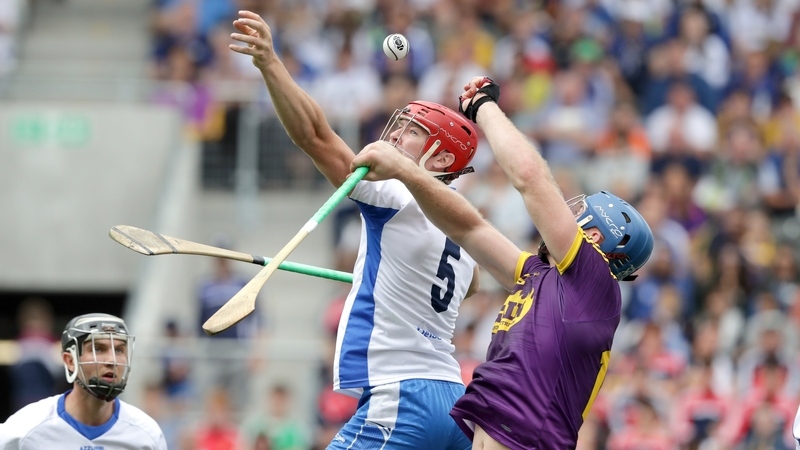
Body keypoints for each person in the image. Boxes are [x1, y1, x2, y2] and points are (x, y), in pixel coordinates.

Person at [350, 76, 655, 449]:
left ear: (595, 237)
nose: (568, 214)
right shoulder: (541, 277)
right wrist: (409, 173)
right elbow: (468, 228)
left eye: (580, 213)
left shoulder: (593, 280)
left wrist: (484, 107)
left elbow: (530, 178)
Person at [230, 10, 481, 450]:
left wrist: (271, 63)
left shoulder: (396, 196)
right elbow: (471, 287)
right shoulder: (466, 234)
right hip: (452, 401)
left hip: (403, 397)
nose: (396, 135)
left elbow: (315, 136)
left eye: (412, 133)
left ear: (441, 161)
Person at [0, 312, 168, 449]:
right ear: (70, 361)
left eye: (119, 350)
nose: (112, 360)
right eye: (98, 349)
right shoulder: (22, 431)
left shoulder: (147, 435)